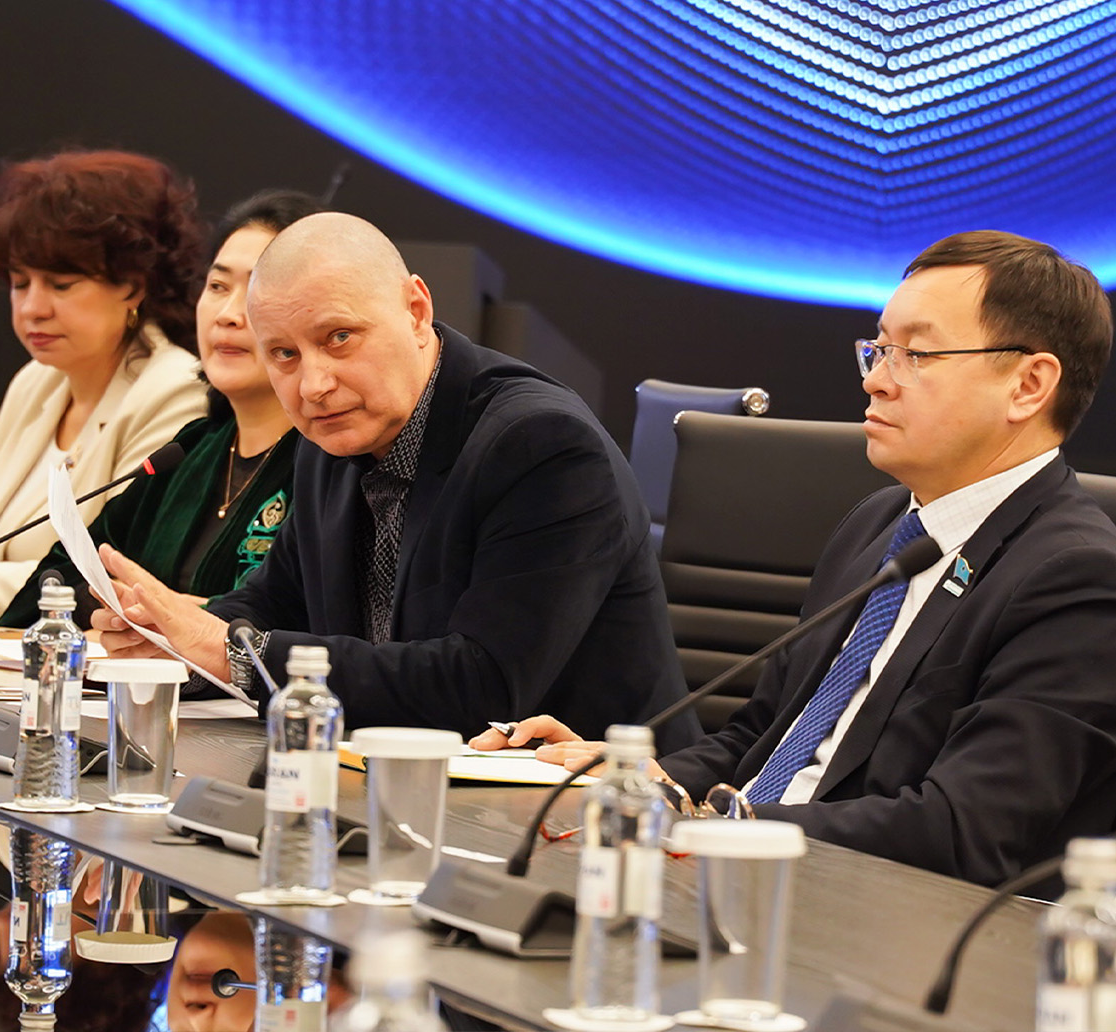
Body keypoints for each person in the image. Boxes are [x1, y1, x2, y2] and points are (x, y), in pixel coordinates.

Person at [474, 231, 1116, 887]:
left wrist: (715, 825)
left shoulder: (1076, 582)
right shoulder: (879, 524)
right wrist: (644, 779)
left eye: (916, 355)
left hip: (868, 913)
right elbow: (761, 735)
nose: (876, 382)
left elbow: (961, 830)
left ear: (1029, 385)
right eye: (878, 350)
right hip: (737, 871)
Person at [90, 213, 695, 746]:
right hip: (405, 789)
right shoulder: (330, 440)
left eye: (339, 338)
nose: (314, 386)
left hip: (593, 807)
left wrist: (228, 650)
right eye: (283, 355)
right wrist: (172, 641)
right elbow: (274, 602)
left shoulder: (541, 446)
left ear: (416, 311)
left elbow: (482, 687)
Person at [0, 148, 208, 611]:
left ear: (133, 286)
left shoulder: (174, 390)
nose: (33, 308)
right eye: (20, 283)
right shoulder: (36, 382)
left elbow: (100, 571)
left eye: (61, 285)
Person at [0, 189, 324, 632]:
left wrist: (190, 620)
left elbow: (320, 624)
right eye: (217, 286)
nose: (228, 314)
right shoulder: (192, 449)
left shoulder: (334, 463)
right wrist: (130, 608)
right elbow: (57, 577)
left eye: (257, 290)